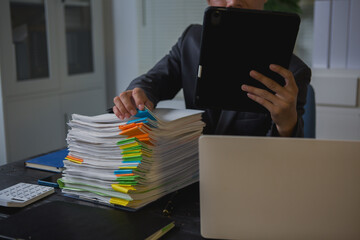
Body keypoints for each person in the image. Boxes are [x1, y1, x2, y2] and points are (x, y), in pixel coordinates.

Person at [112, 0, 311, 137]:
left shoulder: (292, 73)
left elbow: (287, 161)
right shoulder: (191, 41)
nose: (233, 2)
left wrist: (286, 124)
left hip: (251, 178)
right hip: (189, 175)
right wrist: (137, 93)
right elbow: (154, 81)